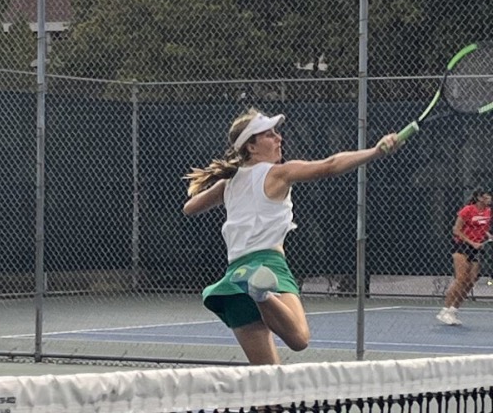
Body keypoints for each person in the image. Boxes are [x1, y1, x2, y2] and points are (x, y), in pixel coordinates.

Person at [183, 108, 400, 365]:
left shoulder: (229, 184)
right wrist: (376, 151)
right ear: (251, 147)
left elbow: (190, 207)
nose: (279, 138)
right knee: (299, 339)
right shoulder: (279, 173)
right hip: (267, 266)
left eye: (277, 133)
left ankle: (257, 292)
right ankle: (261, 293)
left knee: (268, 379)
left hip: (235, 276)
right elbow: (329, 166)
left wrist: (225, 186)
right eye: (269, 135)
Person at [437, 189, 492, 326]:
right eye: (487, 196)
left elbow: (481, 227)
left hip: (476, 249)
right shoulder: (468, 210)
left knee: (471, 281)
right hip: (462, 246)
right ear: (479, 198)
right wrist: (472, 242)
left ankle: (452, 311)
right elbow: (456, 229)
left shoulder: (488, 212)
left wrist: (488, 236)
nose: (490, 198)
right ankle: (444, 310)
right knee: (461, 279)